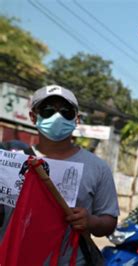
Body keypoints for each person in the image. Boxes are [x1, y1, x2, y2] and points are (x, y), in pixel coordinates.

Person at [28, 85, 119, 264]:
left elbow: (109, 222)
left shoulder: (98, 168)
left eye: (66, 111)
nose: (57, 117)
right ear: (33, 116)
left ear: (76, 120)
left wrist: (90, 221)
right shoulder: (15, 160)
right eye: (47, 111)